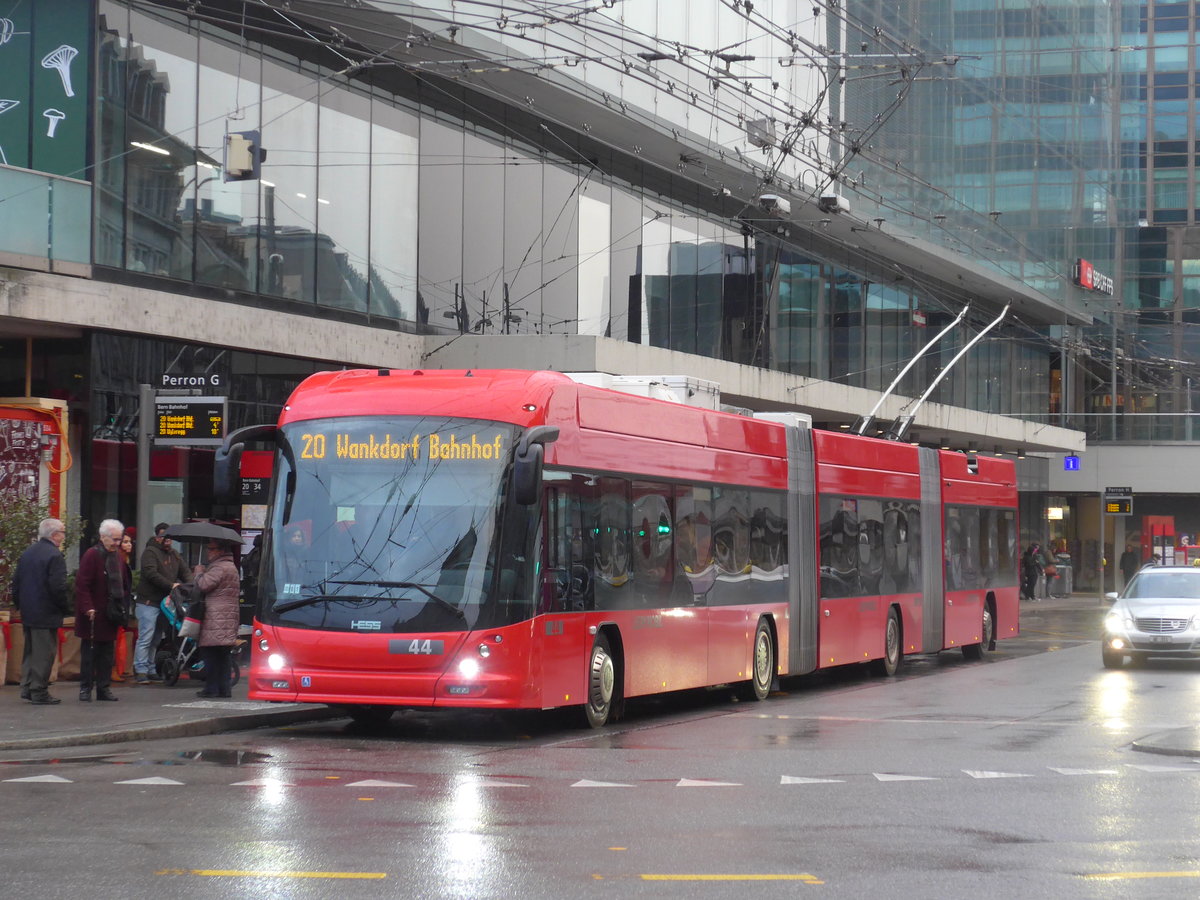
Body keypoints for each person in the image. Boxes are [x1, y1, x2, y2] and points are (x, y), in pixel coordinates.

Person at [12, 518, 69, 705]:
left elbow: (16, 582)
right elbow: (58, 587)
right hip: (46, 611)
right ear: (54, 535)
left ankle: (27, 686)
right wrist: (65, 608)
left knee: (30, 651)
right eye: (62, 532)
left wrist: (19, 604)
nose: (63, 536)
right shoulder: (54, 555)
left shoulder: (28, 552)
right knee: (44, 653)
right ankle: (39, 691)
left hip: (29, 610)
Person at [75, 519, 130, 701]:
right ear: (102, 537)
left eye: (119, 539)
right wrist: (87, 607)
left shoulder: (118, 557)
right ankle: (85, 688)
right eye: (113, 539)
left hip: (110, 614)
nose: (117, 543)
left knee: (107, 654)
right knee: (90, 653)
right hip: (93, 614)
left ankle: (103, 688)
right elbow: (82, 584)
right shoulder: (92, 555)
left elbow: (124, 585)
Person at [133, 522, 191, 684]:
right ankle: (141, 670)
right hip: (149, 601)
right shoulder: (150, 553)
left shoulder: (174, 555)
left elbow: (185, 571)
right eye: (164, 536)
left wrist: (191, 585)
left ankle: (150, 669)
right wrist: (171, 585)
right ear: (157, 537)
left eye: (169, 537)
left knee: (157, 638)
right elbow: (151, 573)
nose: (167, 539)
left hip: (165, 603)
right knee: (146, 636)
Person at [192, 538, 241, 699]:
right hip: (229, 615)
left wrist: (199, 572)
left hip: (215, 616)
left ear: (220, 551)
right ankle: (224, 688)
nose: (208, 552)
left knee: (210, 654)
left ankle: (211, 688)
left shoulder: (218, 567)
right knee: (224, 655)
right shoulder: (232, 566)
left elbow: (204, 585)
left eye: (211, 549)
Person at [111, 530, 136, 683]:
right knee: (114, 639)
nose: (129, 545)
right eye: (125, 542)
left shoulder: (124, 561)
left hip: (122, 603)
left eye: (130, 542)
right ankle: (113, 670)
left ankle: (116, 669)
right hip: (117, 605)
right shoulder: (118, 561)